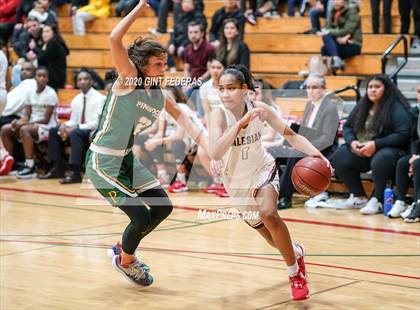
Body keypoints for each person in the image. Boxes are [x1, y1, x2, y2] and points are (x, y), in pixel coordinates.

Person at [84, 0, 207, 286]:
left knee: (163, 207)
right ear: (141, 65)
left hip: (127, 159)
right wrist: (139, 10)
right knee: (139, 217)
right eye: (157, 64)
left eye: (165, 63)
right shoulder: (129, 79)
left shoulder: (158, 94)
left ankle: (123, 248)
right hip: (103, 162)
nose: (163, 69)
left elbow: (184, 118)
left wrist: (211, 149)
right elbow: (114, 38)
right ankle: (126, 261)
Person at [208, 64, 331, 301]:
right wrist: (240, 122)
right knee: (270, 238)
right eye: (221, 89)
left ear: (244, 89)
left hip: (261, 169)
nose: (225, 94)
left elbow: (291, 135)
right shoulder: (217, 115)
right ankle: (296, 252)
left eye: (231, 88)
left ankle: (295, 275)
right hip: (236, 182)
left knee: (269, 214)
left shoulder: (260, 109)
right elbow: (214, 151)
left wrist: (317, 154)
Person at [330, 75, 411, 214]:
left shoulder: (395, 108)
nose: (372, 90)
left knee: (382, 158)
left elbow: (403, 134)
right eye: (370, 87)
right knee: (340, 156)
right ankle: (358, 195)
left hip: (389, 152)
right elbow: (348, 127)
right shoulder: (363, 105)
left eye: (377, 87)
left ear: (386, 89)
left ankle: (378, 199)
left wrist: (376, 144)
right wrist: (352, 142)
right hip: (362, 151)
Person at [267, 74, 340, 209]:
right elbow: (305, 131)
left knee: (294, 155)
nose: (310, 91)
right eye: (308, 87)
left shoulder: (330, 108)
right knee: (270, 153)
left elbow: (327, 138)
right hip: (305, 146)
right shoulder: (309, 104)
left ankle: (284, 197)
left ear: (323, 89)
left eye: (315, 87)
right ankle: (270, 190)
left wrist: (304, 148)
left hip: (324, 150)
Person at [39, 70, 106, 183]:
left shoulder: (100, 98)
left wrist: (75, 127)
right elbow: (73, 120)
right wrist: (64, 126)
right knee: (54, 131)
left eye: (85, 79)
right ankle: (56, 168)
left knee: (75, 133)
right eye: (80, 80)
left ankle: (75, 172)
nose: (82, 81)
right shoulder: (76, 99)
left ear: (91, 81)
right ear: (77, 83)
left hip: (93, 131)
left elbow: (96, 123)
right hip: (79, 130)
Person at [0, 66, 58, 179]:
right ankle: (11, 164)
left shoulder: (51, 93)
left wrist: (24, 124)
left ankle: (30, 165)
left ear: (48, 79)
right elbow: (26, 116)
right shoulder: (30, 93)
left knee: (24, 129)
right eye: (39, 76)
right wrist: (17, 122)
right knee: (6, 129)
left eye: (44, 76)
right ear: (35, 78)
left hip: (48, 127)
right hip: (32, 125)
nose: (42, 78)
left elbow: (46, 119)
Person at [389, 84, 420, 221]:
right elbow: (414, 138)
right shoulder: (415, 112)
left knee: (418, 164)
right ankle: (400, 201)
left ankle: (417, 203)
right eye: (419, 92)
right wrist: (414, 154)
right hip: (418, 153)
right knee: (403, 162)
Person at [319, 0, 362, 70]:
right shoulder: (332, 10)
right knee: (324, 49)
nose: (335, 2)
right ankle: (336, 60)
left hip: (352, 43)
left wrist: (333, 34)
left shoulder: (352, 10)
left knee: (326, 37)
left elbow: (348, 29)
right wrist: (336, 37)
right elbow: (327, 27)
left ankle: (336, 60)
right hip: (339, 42)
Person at [32, 23, 69, 90]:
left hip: (54, 81)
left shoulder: (54, 44)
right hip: (52, 78)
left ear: (54, 33)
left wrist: (35, 48)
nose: (44, 34)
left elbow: (41, 60)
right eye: (43, 32)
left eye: (47, 31)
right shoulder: (52, 43)